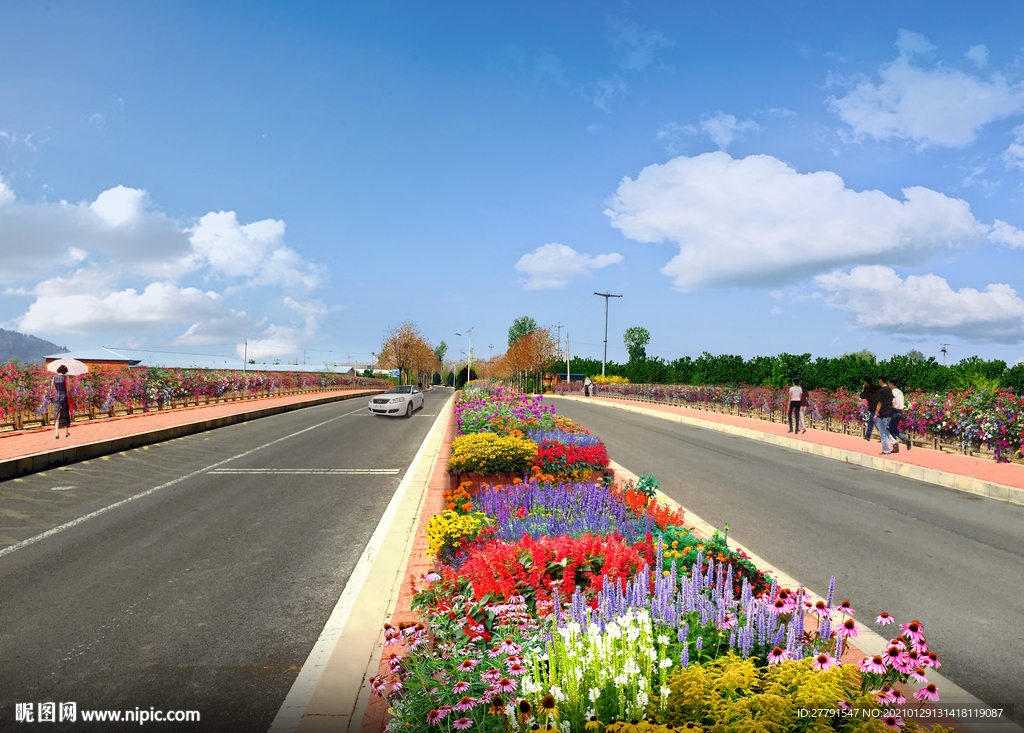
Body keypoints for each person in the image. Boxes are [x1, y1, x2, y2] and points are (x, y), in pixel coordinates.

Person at [887, 376, 912, 452]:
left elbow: (892, 403)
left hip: (894, 412)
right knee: (893, 429)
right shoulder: (900, 392)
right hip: (899, 412)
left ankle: (895, 446)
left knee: (888, 428)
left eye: (889, 384)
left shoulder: (892, 392)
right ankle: (905, 440)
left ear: (891, 383)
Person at [873, 375, 895, 455]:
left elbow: (879, 403)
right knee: (885, 430)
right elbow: (892, 401)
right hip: (889, 412)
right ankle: (894, 442)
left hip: (883, 413)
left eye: (879, 380)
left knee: (882, 433)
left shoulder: (882, 390)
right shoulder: (889, 389)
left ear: (881, 380)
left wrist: (875, 414)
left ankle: (886, 450)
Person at [52, 365, 73, 440]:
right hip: (64, 398)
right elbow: (69, 388)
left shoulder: (54, 377)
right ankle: (66, 432)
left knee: (57, 415)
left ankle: (57, 433)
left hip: (57, 398)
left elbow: (52, 388)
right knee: (65, 414)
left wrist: (56, 392)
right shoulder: (65, 378)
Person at [859, 376, 880, 442]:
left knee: (875, 421)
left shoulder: (867, 389)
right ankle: (867, 436)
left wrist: (863, 389)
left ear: (866, 382)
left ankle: (883, 437)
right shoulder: (877, 387)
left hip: (872, 406)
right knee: (871, 421)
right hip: (878, 405)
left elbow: (862, 396)